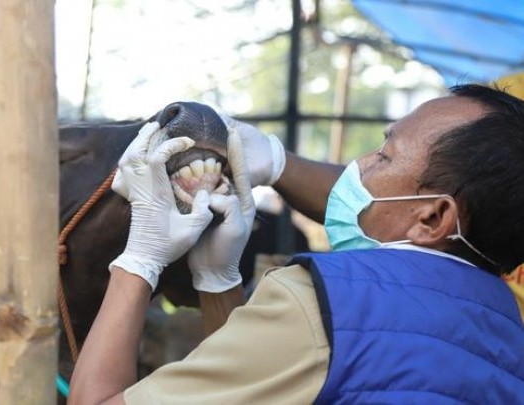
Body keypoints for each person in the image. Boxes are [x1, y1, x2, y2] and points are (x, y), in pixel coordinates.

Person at [69, 84, 524, 404]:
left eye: (384, 156)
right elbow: (254, 383)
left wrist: (140, 260)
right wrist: (219, 281)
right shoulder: (506, 328)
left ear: (433, 218)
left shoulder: (328, 304)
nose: (359, 164)